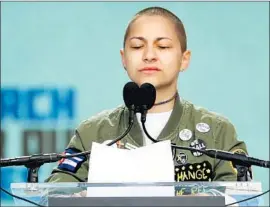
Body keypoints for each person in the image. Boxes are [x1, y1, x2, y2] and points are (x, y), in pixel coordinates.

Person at [45, 6, 252, 183]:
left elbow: (241, 196)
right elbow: (56, 191)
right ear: (123, 58)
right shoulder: (93, 133)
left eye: (162, 46)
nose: (149, 55)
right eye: (137, 46)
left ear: (184, 59)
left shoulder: (217, 132)